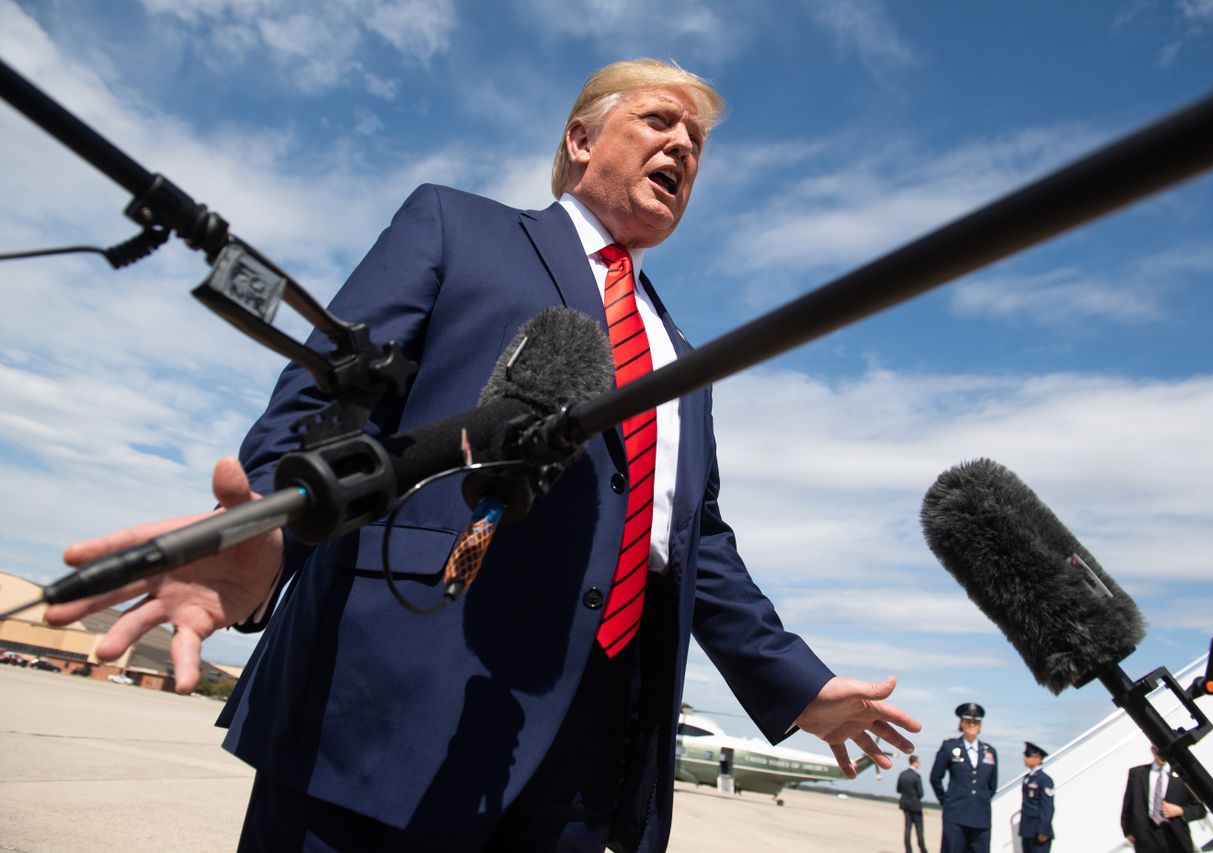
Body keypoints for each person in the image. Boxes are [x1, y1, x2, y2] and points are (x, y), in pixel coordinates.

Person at [43, 59, 921, 852]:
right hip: (392, 703)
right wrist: (272, 529)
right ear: (581, 140)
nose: (683, 147)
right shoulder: (456, 227)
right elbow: (327, 396)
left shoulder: (682, 353)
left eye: (695, 141)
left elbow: (693, 539)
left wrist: (798, 686)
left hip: (587, 750)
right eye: (660, 121)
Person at [930, 702, 998, 853]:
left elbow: (992, 786)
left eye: (976, 721)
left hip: (981, 818)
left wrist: (980, 799)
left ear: (980, 725)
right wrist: (947, 801)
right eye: (968, 721)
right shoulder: (950, 747)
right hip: (955, 816)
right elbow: (935, 778)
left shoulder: (990, 752)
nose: (972, 724)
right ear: (961, 722)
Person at [1121, 745, 1206, 853]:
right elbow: (1128, 804)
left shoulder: (1182, 775)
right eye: (1157, 751)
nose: (1161, 754)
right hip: (1147, 838)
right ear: (1152, 751)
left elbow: (1200, 809)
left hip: (1175, 836)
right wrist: (1127, 831)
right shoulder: (1137, 773)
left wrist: (1180, 811)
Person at [1019, 741, 1054, 852]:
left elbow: (1047, 807)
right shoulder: (1028, 778)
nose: (1025, 758)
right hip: (1027, 829)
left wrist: (1043, 830)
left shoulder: (1045, 780)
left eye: (1028, 756)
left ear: (1038, 758)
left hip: (1038, 830)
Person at [898, 753, 928, 853]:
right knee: (919, 830)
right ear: (914, 762)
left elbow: (898, 789)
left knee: (907, 828)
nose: (919, 764)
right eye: (918, 762)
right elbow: (921, 793)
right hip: (915, 805)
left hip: (905, 804)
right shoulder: (916, 776)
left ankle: (908, 851)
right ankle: (923, 850)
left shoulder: (902, 774)